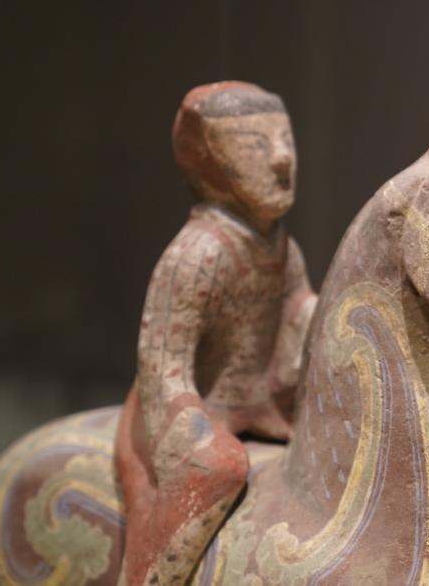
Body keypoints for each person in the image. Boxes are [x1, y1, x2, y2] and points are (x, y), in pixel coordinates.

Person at [114, 82, 316, 586]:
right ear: (207, 161)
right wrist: (189, 438)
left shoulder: (282, 249)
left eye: (285, 140)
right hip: (188, 405)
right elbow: (162, 363)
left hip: (262, 404)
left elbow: (297, 313)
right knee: (219, 470)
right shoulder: (197, 254)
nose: (282, 159)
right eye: (255, 144)